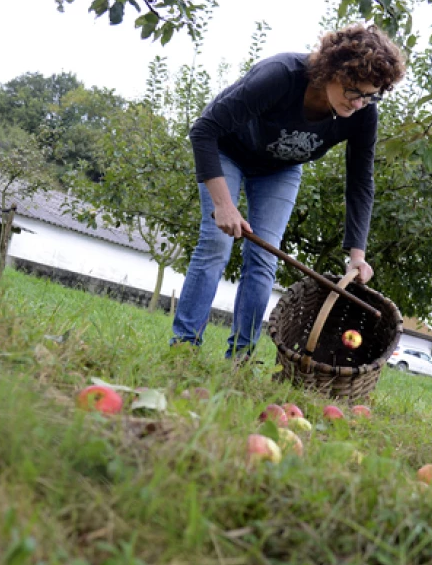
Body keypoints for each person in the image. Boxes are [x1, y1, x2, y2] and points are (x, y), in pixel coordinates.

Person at [171, 23, 406, 359]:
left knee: (264, 257)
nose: (359, 104)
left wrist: (358, 257)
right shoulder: (280, 75)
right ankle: (184, 347)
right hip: (228, 152)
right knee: (215, 243)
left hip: (280, 169)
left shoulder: (363, 113)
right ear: (333, 70)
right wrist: (224, 205)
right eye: (354, 91)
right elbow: (204, 130)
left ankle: (239, 358)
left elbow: (359, 181)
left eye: (370, 96)